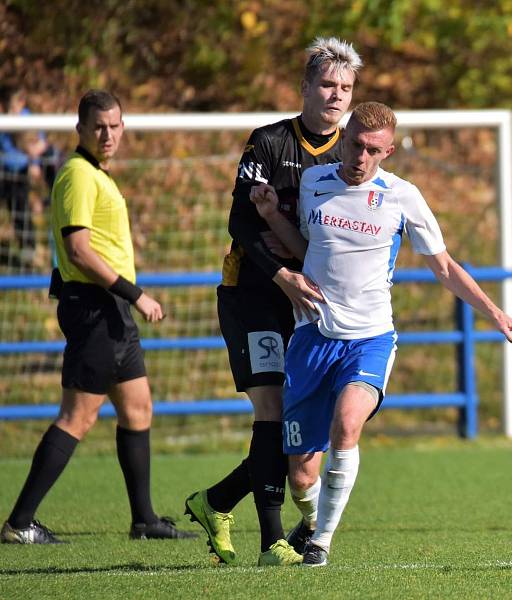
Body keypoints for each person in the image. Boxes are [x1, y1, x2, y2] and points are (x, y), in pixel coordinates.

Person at [251, 101, 512, 566]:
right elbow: (312, 251)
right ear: (343, 139)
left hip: (370, 338)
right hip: (312, 336)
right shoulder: (313, 183)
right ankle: (311, 520)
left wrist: (497, 314)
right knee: (302, 477)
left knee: (347, 424)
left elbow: (444, 266)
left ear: (388, 152)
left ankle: (320, 543)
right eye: (355, 145)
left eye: (372, 150)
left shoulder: (403, 197)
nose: (360, 157)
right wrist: (272, 218)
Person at [184, 37, 362, 567]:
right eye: (327, 84)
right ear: (306, 87)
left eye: (345, 88)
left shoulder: (349, 153)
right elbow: (240, 220)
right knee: (272, 410)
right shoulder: (268, 142)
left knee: (302, 427)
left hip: (309, 304)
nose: (335, 95)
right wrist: (283, 273)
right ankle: (273, 542)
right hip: (254, 293)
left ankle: (215, 502)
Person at [1, 90, 196, 544]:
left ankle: (144, 520)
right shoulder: (77, 175)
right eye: (98, 127)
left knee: (138, 407)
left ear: (123, 127)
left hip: (111, 311)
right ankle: (19, 523)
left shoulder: (98, 175)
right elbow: (79, 251)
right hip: (95, 307)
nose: (107, 134)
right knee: (77, 417)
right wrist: (137, 294)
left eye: (114, 126)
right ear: (81, 131)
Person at [0, 87, 60, 268]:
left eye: (13, 106)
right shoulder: (5, 121)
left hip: (20, 172)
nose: (11, 110)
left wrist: (33, 164)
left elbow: (60, 194)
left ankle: (33, 252)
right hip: (5, 171)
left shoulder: (30, 123)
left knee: (21, 208)